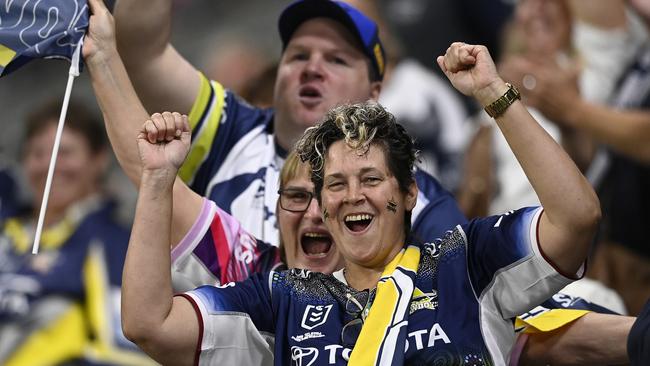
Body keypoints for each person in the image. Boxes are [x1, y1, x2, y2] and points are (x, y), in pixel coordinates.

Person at [121, 39, 601, 364]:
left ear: (410, 192)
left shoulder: (465, 262)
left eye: (370, 178)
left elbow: (577, 218)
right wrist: (158, 177)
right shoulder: (282, 298)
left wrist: (494, 94)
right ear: (323, 206)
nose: (352, 195)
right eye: (334, 184)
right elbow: (149, 324)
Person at [112, 0, 465, 248]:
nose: (312, 68)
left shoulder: (411, 196)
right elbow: (143, 49)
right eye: (298, 55)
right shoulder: (231, 131)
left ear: (375, 91)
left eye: (336, 60)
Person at [0, 99, 154, 365]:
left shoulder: (113, 242)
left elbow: (128, 351)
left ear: (99, 160)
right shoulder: (7, 229)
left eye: (65, 152)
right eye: (38, 153)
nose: (50, 165)